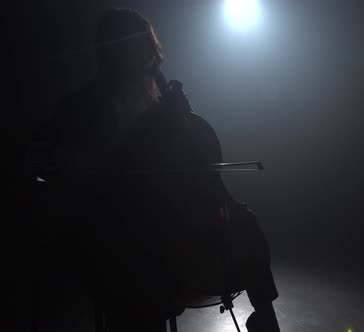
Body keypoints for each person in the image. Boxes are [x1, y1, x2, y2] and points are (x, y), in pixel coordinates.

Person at [35, 8, 280, 332]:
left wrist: (184, 117)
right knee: (141, 272)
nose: (147, 62)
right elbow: (42, 157)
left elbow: (199, 165)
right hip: (115, 236)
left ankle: (264, 316)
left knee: (245, 222)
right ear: (113, 53)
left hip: (176, 227)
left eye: (148, 51)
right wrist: (63, 163)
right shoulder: (81, 108)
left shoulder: (161, 105)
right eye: (134, 51)